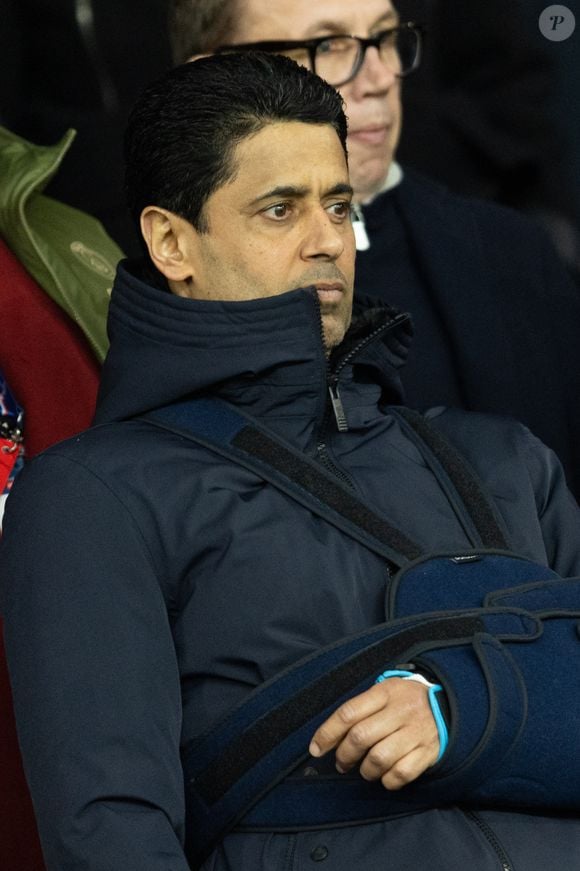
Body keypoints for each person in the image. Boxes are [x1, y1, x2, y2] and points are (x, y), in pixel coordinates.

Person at [2, 53, 580, 871]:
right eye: (281, 209)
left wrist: (469, 705)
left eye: (338, 205)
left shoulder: (503, 458)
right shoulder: (95, 494)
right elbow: (111, 831)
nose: (328, 243)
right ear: (172, 241)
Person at [168, 0, 580, 500]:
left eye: (385, 37)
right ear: (211, 78)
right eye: (330, 46)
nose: (381, 77)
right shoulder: (155, 275)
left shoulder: (514, 254)